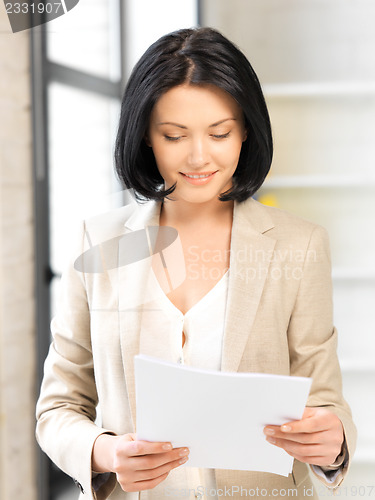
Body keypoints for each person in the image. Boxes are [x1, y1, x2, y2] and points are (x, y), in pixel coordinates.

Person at [36, 27, 356, 500]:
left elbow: (325, 401)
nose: (199, 156)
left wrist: (332, 444)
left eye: (220, 132)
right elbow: (58, 408)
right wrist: (105, 452)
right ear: (146, 135)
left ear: (246, 129)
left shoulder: (299, 245)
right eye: (174, 135)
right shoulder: (100, 243)